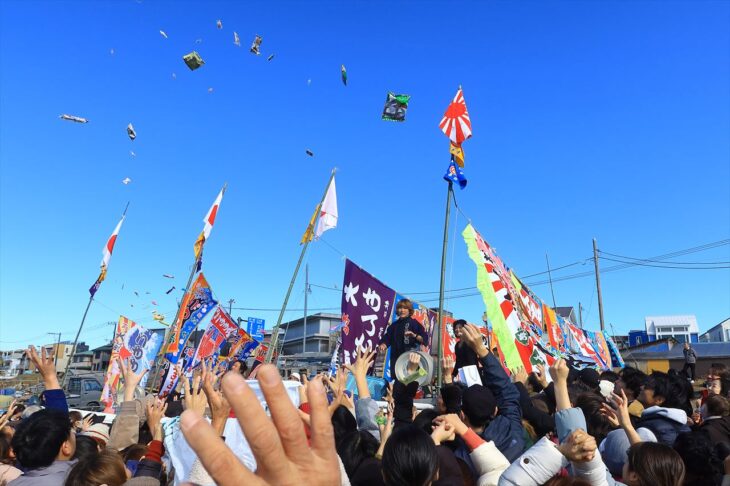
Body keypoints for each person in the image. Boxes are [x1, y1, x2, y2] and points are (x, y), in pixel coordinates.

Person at [378, 299, 429, 380]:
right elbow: (387, 338)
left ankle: (421, 388)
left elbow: (424, 338)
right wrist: (384, 344)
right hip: (396, 358)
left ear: (409, 310)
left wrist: (414, 335)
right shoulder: (393, 326)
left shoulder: (414, 323)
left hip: (411, 358)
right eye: (400, 308)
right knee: (398, 380)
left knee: (413, 381)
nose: (402, 310)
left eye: (405, 308)